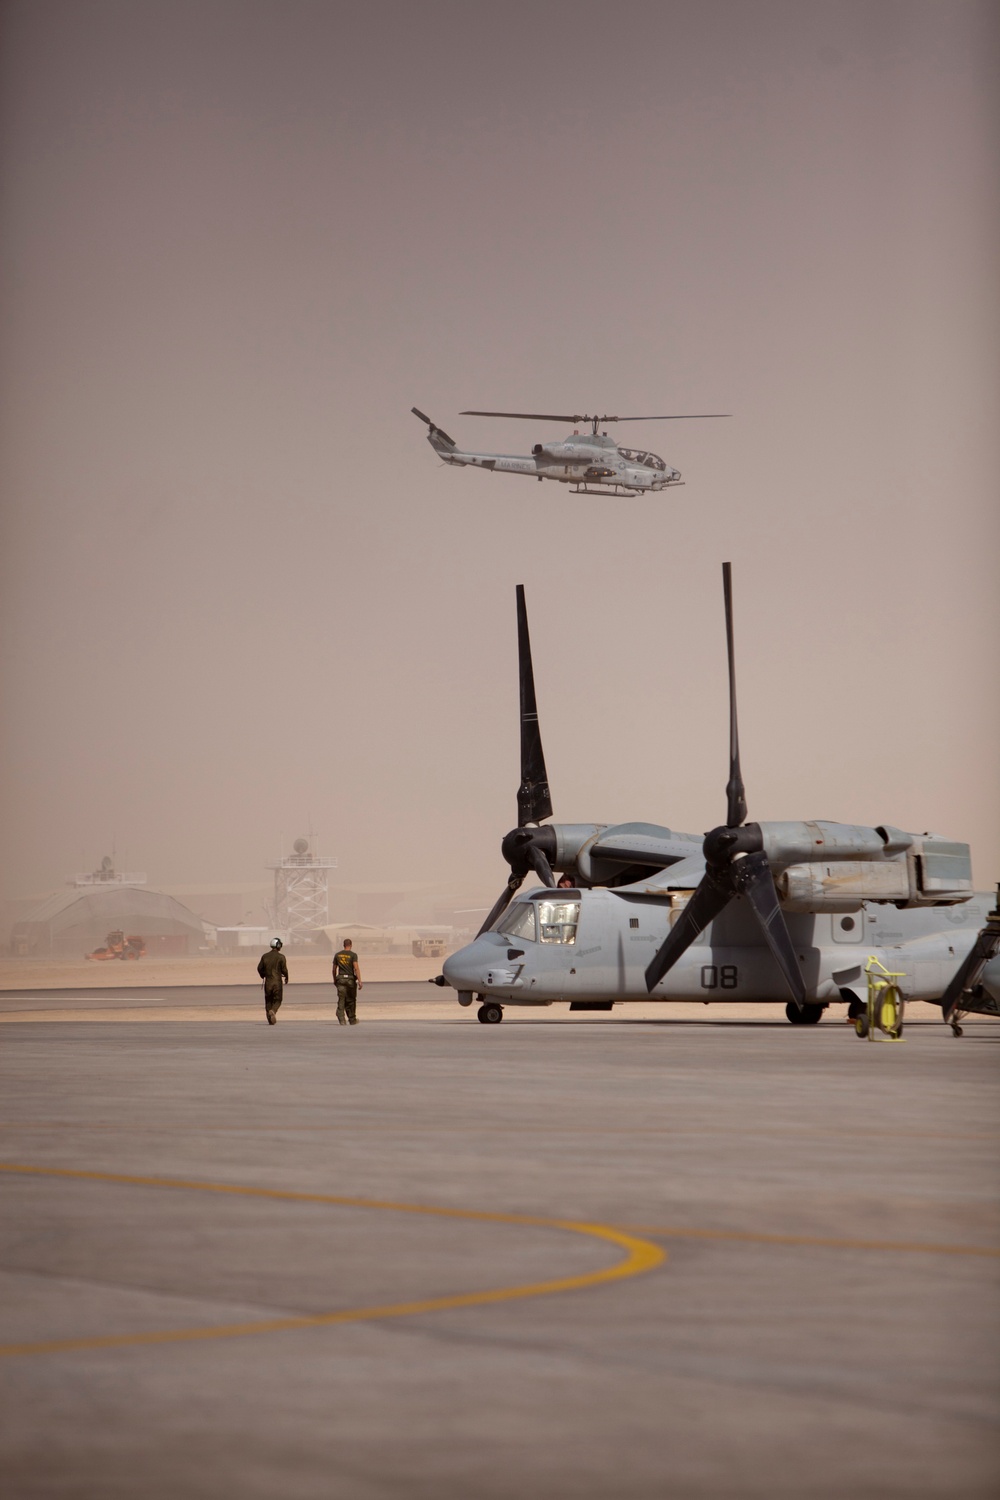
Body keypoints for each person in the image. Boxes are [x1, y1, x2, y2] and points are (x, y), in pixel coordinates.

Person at [257, 937, 288, 1025]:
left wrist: (263, 975)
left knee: (268, 1001)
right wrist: (286, 977)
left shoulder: (265, 956)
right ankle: (273, 1011)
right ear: (278, 945)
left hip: (268, 982)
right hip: (277, 982)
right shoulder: (281, 957)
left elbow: (259, 968)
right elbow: (284, 970)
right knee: (278, 1000)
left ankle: (270, 1020)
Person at [332, 938, 362, 1025]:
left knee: (341, 999)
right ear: (351, 945)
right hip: (350, 980)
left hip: (340, 979)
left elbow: (334, 969)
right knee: (351, 1000)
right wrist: (360, 981)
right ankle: (352, 1019)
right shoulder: (353, 955)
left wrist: (334, 979)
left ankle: (341, 1018)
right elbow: (356, 968)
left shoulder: (337, 955)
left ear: (343, 945)